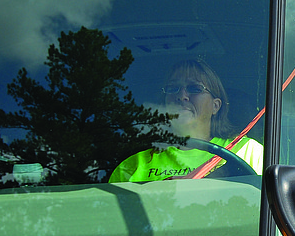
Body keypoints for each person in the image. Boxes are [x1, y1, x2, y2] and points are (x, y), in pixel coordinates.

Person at [109, 59, 263, 182]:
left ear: (215, 106)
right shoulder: (132, 166)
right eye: (172, 88)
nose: (182, 96)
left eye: (194, 89)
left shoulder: (247, 152)